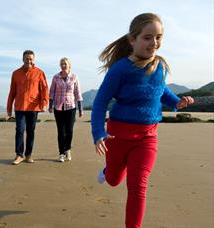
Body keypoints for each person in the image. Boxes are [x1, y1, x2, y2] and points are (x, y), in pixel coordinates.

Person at [91, 13, 194, 228]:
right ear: (132, 40)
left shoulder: (160, 66)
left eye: (158, 37)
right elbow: (100, 102)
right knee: (113, 180)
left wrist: (177, 102)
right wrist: (98, 133)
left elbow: (160, 90)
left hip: (147, 138)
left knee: (138, 187)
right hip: (117, 136)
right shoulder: (120, 69)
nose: (154, 43)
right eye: (147, 37)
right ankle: (108, 172)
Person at [7, 50, 49, 165]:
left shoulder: (40, 73)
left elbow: (44, 89)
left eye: (30, 59)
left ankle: (28, 155)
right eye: (26, 59)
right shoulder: (16, 73)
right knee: (19, 130)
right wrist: (9, 107)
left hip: (33, 107)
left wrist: (44, 103)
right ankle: (19, 155)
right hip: (20, 107)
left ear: (33, 60)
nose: (28, 61)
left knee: (31, 131)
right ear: (23, 59)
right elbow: (12, 91)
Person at [48, 57, 83, 162]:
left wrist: (80, 109)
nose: (63, 66)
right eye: (62, 64)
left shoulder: (74, 77)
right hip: (58, 108)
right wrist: (50, 105)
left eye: (65, 64)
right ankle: (61, 153)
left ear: (69, 65)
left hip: (71, 107)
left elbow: (78, 93)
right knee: (60, 131)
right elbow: (52, 92)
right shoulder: (56, 77)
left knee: (69, 131)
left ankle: (67, 149)